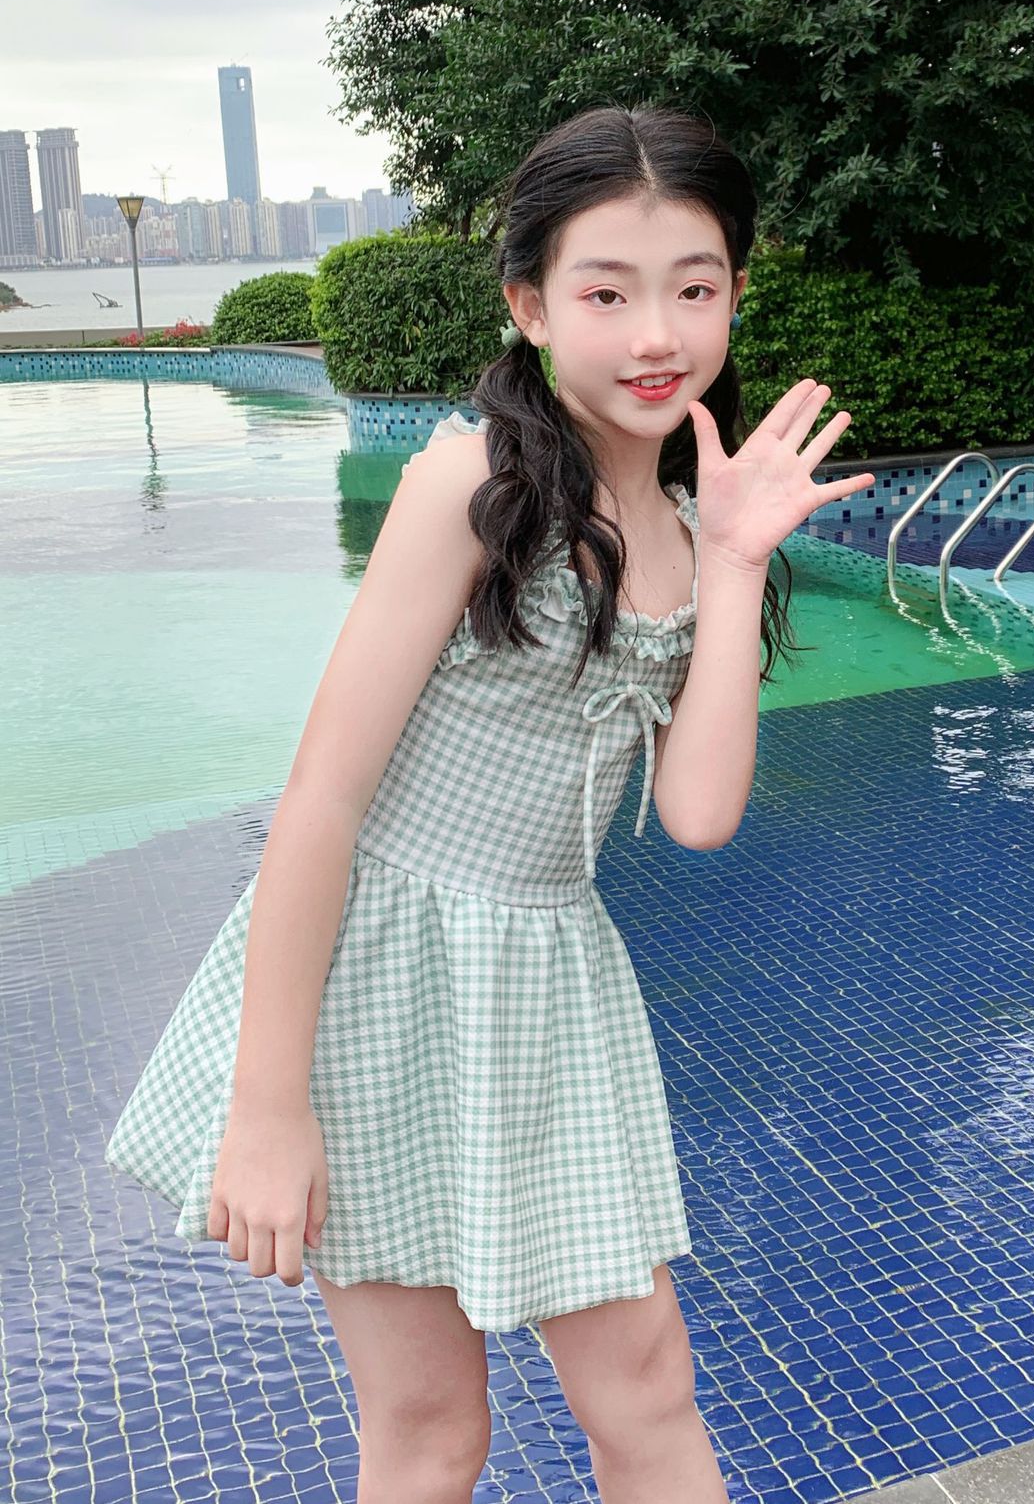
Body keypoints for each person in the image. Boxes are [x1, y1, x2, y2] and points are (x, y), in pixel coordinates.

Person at [104, 103, 877, 1504]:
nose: (657, 333)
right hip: (376, 983)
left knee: (646, 1393)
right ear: (529, 306)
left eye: (695, 288)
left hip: (547, 986)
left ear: (734, 294)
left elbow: (700, 814)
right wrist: (267, 1110)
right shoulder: (474, 483)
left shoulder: (691, 530)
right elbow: (323, 799)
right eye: (607, 293)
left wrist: (738, 561)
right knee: (428, 1426)